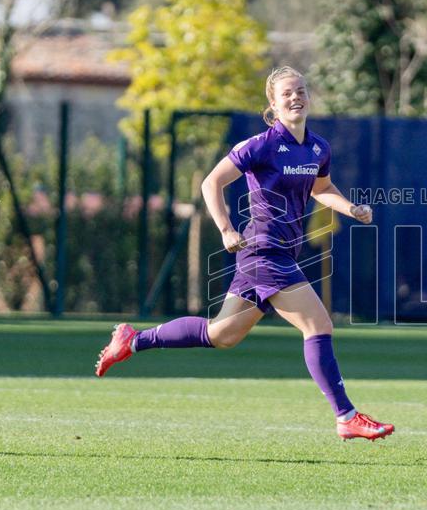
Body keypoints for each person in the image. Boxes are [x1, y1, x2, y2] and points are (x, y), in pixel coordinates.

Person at [94, 66, 394, 442]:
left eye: (301, 91)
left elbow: (322, 188)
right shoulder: (261, 145)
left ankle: (133, 340)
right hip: (264, 252)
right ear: (273, 104)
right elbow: (211, 183)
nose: (296, 97)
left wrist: (351, 208)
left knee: (222, 334)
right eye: (287, 93)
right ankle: (346, 416)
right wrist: (225, 229)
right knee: (318, 326)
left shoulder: (318, 148)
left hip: (279, 254)